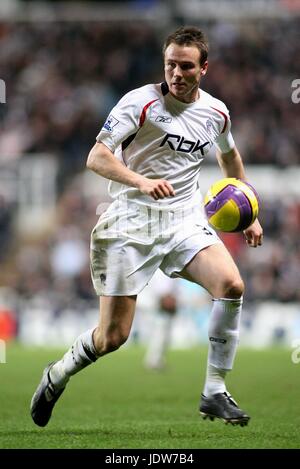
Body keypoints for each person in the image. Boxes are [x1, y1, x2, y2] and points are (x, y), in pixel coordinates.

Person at [30, 26, 263, 427]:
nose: (176, 73)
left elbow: (231, 160)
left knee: (232, 285)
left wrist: (250, 214)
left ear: (203, 68)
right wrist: (141, 181)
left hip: (182, 221)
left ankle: (214, 391)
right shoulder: (139, 103)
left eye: (186, 66)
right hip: (130, 224)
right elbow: (97, 157)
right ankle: (56, 375)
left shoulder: (217, 113)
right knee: (112, 337)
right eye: (170, 64)